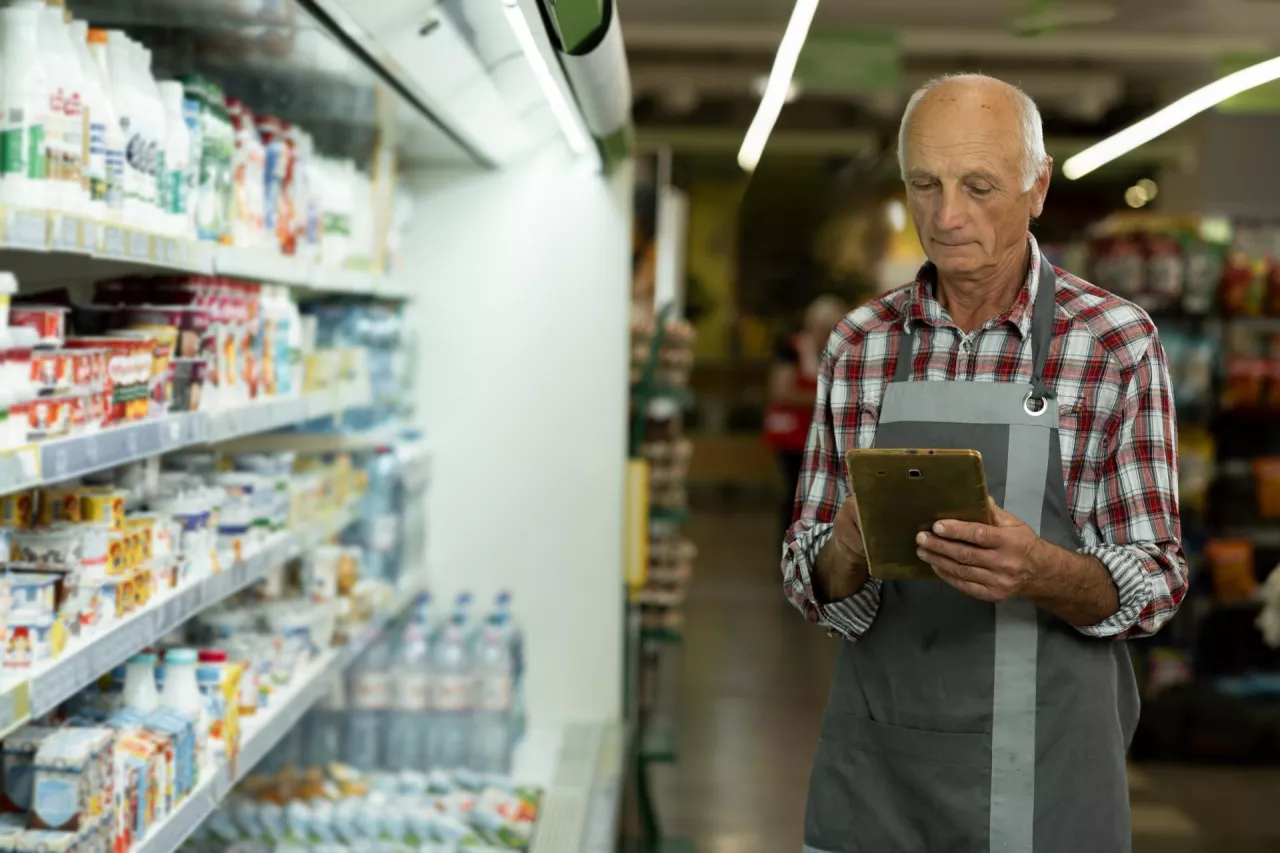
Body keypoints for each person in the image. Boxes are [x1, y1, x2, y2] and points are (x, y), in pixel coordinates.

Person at [782, 74, 1186, 853]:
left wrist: (1040, 570)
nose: (947, 215)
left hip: (1048, 779)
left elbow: (1159, 582)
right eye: (924, 185)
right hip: (883, 777)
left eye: (978, 186)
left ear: (1037, 187)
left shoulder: (1113, 344)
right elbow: (808, 579)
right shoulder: (859, 346)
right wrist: (846, 550)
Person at [765, 295, 847, 539]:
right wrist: (827, 398)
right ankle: (790, 551)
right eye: (823, 328)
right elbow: (781, 392)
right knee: (795, 494)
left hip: (825, 437)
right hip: (792, 437)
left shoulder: (842, 350)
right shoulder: (791, 349)